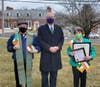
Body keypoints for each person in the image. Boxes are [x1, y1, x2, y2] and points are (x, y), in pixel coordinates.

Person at [7, 21, 40, 87]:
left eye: (24, 26)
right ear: (18, 27)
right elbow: (8, 48)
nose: (23, 27)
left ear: (27, 27)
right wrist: (13, 48)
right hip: (18, 61)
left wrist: (36, 50)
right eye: (21, 26)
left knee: (28, 79)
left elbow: (38, 46)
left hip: (28, 60)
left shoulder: (32, 36)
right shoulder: (14, 36)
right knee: (19, 79)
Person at [38, 11, 64, 87]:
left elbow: (61, 39)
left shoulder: (59, 28)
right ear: (46, 19)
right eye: (48, 17)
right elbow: (40, 40)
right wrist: (49, 48)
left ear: (54, 18)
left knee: (54, 76)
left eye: (52, 17)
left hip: (56, 55)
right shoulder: (41, 29)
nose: (50, 19)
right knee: (44, 77)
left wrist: (58, 47)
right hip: (45, 55)